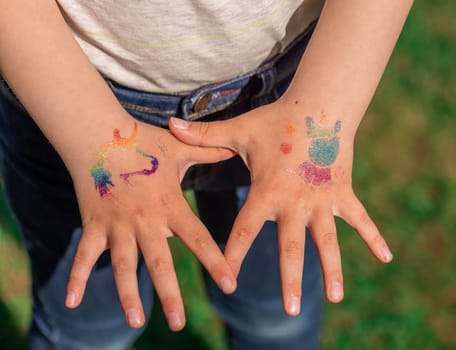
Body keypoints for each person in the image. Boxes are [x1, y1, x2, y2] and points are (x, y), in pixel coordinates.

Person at [0, 0, 413, 349]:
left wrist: (327, 104)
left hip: (288, 103)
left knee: (275, 315)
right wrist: (92, 138)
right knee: (88, 331)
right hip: (66, 98)